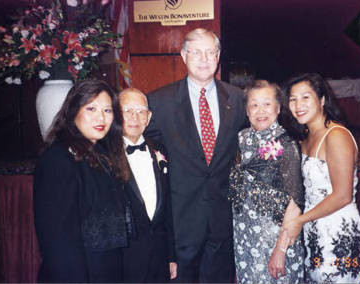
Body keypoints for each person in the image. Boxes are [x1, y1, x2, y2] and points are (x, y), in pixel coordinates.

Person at [145, 28, 246, 283]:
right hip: (180, 224)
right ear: (183, 56)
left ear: (219, 56)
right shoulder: (159, 102)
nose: (204, 58)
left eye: (210, 52)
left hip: (222, 224)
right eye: (196, 52)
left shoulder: (238, 99)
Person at [33, 79, 131, 283]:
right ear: (73, 112)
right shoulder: (58, 159)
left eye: (107, 110)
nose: (100, 117)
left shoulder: (104, 155)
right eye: (91, 108)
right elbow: (57, 242)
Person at [282, 73, 360, 283]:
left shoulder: (336, 135)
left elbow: (343, 196)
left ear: (321, 101)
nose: (298, 105)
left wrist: (299, 221)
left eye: (305, 97)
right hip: (314, 231)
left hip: (339, 232)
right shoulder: (305, 138)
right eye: (293, 99)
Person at [228, 79, 305, 283]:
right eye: (254, 104)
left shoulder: (286, 144)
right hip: (245, 237)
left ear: (279, 108)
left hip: (277, 238)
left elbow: (295, 202)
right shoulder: (240, 139)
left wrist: (280, 249)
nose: (260, 110)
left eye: (267, 104)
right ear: (246, 110)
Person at [119, 88, 177, 282]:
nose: (135, 117)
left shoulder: (159, 149)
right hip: (123, 260)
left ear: (148, 117)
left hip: (159, 259)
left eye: (141, 111)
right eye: (128, 110)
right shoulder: (104, 155)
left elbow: (168, 207)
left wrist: (171, 256)